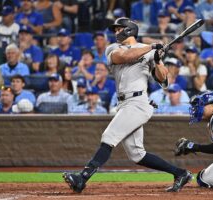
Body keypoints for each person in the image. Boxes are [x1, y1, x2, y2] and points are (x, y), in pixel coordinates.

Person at [63, 17, 192, 193]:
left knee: (109, 137)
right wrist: (151, 48)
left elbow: (164, 80)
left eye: (119, 29)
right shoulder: (114, 48)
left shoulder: (148, 53)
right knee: (137, 155)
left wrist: (158, 59)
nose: (116, 32)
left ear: (129, 29)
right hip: (124, 103)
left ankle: (82, 179)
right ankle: (181, 173)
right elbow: (123, 56)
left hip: (138, 102)